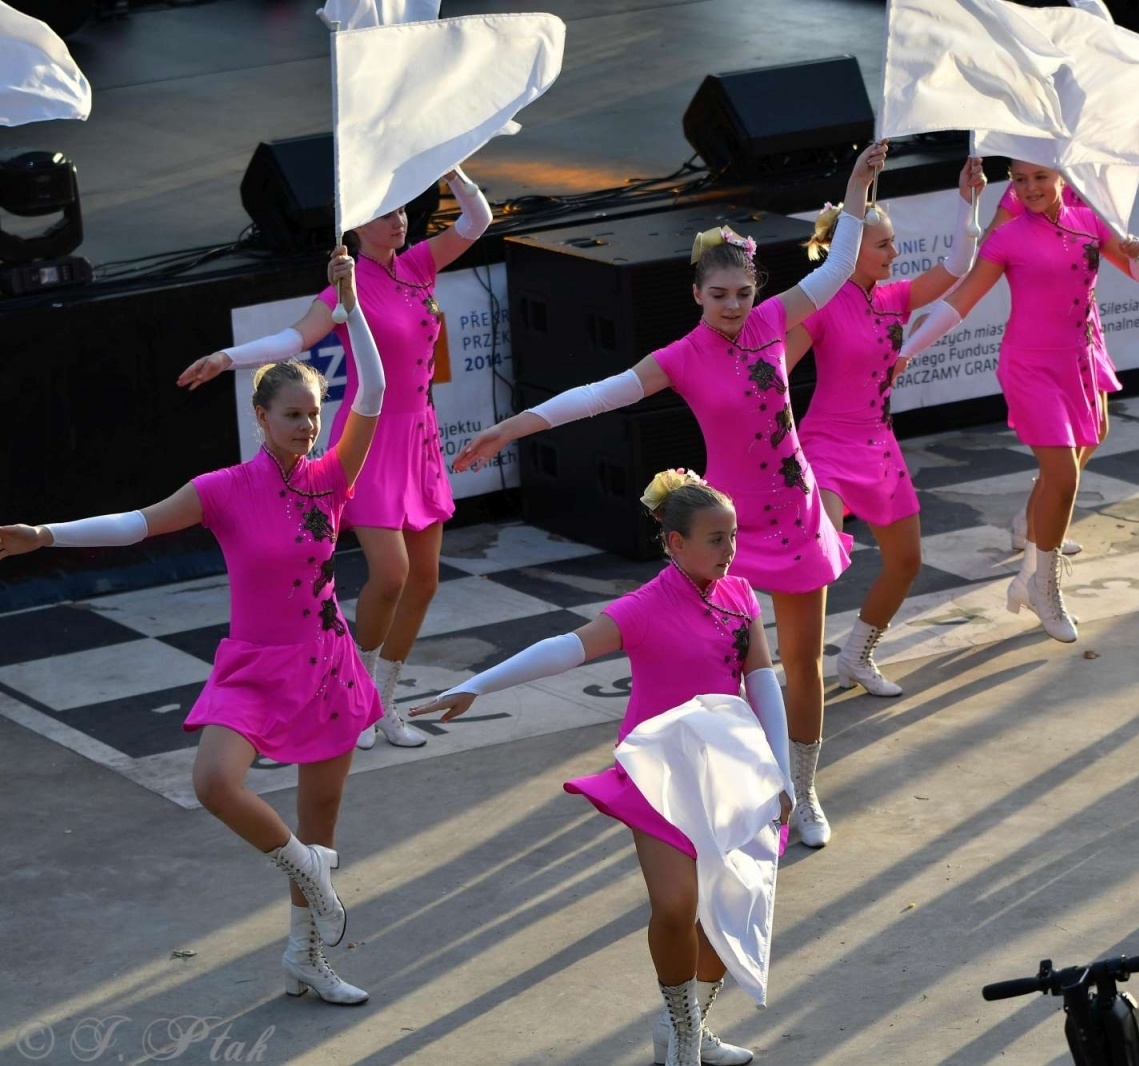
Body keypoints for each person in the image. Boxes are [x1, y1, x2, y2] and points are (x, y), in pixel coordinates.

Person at [449, 142, 885, 849]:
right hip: (727, 532)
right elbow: (597, 397)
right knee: (729, 671)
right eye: (719, 296)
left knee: (801, 667)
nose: (734, 307)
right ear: (695, 295)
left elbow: (838, 266)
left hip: (800, 516)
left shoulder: (774, 320)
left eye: (743, 294)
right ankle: (727, 790)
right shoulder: (678, 358)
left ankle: (801, 793)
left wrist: (857, 187)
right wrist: (512, 426)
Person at [2, 251, 384, 1005]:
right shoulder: (222, 490)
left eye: (313, 414)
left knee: (322, 815)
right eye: (292, 416)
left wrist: (350, 303)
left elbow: (375, 387)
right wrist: (45, 535)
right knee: (215, 782)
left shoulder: (333, 475)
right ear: (260, 417)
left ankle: (307, 957)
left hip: (329, 663)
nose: (307, 428)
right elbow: (135, 526)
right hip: (255, 665)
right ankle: (311, 872)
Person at [410, 472, 793, 1066]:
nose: (730, 549)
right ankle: (684, 1036)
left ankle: (687, 1023)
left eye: (733, 536)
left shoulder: (741, 597)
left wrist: (784, 773)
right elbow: (566, 647)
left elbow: (763, 682)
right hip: (658, 774)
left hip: (730, 776)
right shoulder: (644, 607)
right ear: (675, 543)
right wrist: (477, 685)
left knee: (729, 914)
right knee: (674, 907)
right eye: (715, 539)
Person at [177, 168, 494, 750]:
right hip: (368, 439)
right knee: (391, 575)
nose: (397, 220)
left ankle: (384, 700)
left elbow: (479, 220)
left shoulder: (420, 263)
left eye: (402, 210)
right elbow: (292, 341)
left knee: (424, 581)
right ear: (355, 223)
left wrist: (450, 166)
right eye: (383, 213)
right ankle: (358, 698)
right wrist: (228, 357)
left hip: (420, 436)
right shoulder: (343, 289)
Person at [893, 159, 1139, 643]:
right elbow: (961, 301)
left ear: (1062, 177)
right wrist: (909, 350)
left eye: (1040, 178)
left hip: (1077, 362)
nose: (1030, 188)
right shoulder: (1008, 236)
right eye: (1020, 180)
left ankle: (1032, 576)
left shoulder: (1090, 221)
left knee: (1074, 462)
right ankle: (1044, 585)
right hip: (1029, 369)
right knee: (1063, 474)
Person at [788, 157, 985, 696]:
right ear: (849, 249)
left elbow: (957, 267)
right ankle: (789, 663)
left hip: (878, 445)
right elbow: (774, 375)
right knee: (816, 557)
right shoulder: (820, 305)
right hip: (826, 446)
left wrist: (969, 199)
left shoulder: (895, 298)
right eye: (883, 245)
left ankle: (856, 655)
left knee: (907, 560)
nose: (894, 254)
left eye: (894, 243)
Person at [986, 181, 1125, 559]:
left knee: (1096, 430)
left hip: (1084, 327)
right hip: (1044, 338)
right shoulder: (1030, 183)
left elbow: (1129, 258)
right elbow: (991, 244)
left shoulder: (1091, 183)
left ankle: (1038, 517)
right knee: (1063, 458)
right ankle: (1034, 524)